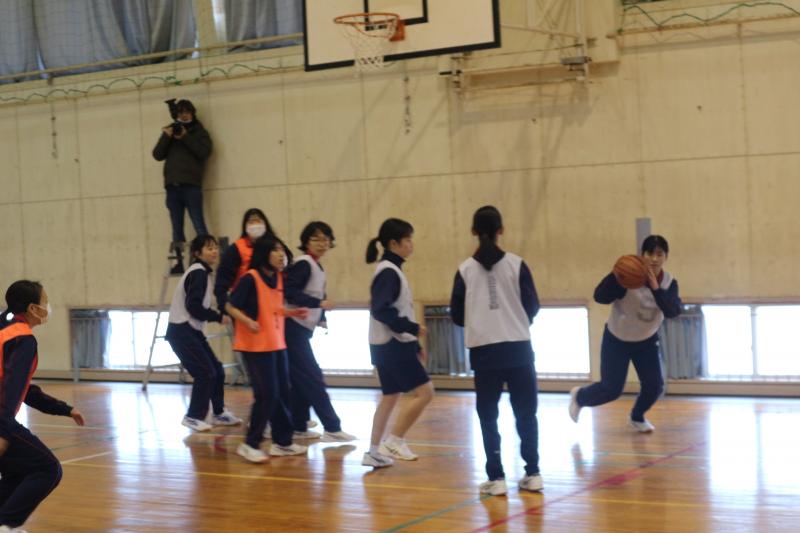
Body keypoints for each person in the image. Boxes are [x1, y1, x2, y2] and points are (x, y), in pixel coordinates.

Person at [450, 206, 543, 496]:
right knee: (526, 414)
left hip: (484, 352)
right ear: (501, 230)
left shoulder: (465, 270)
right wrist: (514, 320)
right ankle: (533, 473)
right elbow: (533, 306)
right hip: (519, 349)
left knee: (488, 416)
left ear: (473, 231)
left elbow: (457, 315)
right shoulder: (517, 264)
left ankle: (497, 477)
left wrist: (483, 319)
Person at [569, 235, 682, 433]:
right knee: (611, 389)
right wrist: (615, 277)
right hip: (617, 339)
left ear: (666, 257)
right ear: (642, 255)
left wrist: (656, 288)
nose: (654, 259)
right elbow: (599, 297)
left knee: (655, 386)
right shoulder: (626, 277)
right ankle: (580, 397)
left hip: (646, 341)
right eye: (650, 254)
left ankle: (637, 417)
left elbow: (672, 311)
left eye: (659, 254)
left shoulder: (669, 283)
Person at [0, 281, 85, 531]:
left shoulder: (4, 328)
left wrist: (64, 409)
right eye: (45, 301)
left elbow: (23, 388)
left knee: (18, 472)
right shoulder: (22, 339)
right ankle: (7, 525)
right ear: (32, 308)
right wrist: (4, 432)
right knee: (47, 469)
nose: (48, 306)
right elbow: (12, 388)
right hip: (1, 419)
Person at [226, 234, 310, 463]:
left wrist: (289, 312)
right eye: (275, 250)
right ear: (264, 254)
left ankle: (283, 442)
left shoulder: (278, 278)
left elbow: (272, 308)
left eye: (282, 249)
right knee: (267, 394)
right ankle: (249, 443)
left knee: (283, 392)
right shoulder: (250, 278)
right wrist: (247, 321)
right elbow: (230, 306)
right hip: (255, 346)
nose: (281, 254)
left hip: (277, 343)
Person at [361, 218, 434, 469]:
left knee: (390, 396)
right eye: (408, 240)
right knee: (425, 392)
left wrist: (414, 344)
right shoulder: (389, 272)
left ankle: (373, 451)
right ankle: (395, 440)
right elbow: (381, 310)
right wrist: (412, 329)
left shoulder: (390, 270)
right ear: (394, 243)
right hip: (392, 345)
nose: (411, 244)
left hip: (386, 345)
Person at [284, 222, 356, 442]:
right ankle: (332, 428)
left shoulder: (316, 266)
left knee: (301, 380)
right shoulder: (304, 263)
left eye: (326, 239)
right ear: (306, 242)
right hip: (291, 328)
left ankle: (298, 426)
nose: (322, 243)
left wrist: (321, 316)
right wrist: (319, 304)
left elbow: (316, 294)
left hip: (301, 330)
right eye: (316, 239)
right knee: (313, 377)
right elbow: (290, 292)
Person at [165, 234, 242, 432]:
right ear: (197, 253)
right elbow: (193, 306)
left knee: (217, 369)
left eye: (215, 247)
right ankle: (193, 417)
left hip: (192, 331)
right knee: (205, 372)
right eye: (209, 248)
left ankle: (218, 413)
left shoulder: (203, 273)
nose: (214, 251)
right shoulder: (198, 272)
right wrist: (217, 317)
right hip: (181, 331)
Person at [152, 98, 213, 274]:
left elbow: (204, 152)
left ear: (192, 113)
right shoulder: (171, 131)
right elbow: (157, 154)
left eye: (187, 112)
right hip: (172, 187)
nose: (184, 115)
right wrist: (167, 137)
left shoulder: (199, 131)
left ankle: (205, 259)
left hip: (191, 185)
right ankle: (178, 262)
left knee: (199, 224)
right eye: (180, 112)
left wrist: (186, 137)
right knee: (176, 228)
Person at [214, 208, 274, 314]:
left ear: (265, 224)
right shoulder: (236, 249)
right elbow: (222, 281)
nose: (255, 225)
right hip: (244, 307)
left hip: (271, 304)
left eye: (258, 221)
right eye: (251, 222)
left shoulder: (275, 246)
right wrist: (225, 307)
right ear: (245, 226)